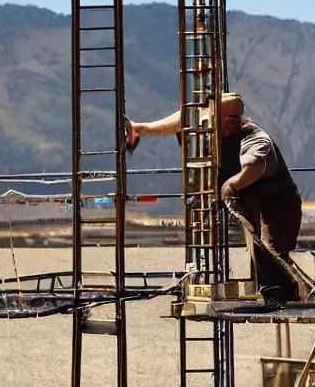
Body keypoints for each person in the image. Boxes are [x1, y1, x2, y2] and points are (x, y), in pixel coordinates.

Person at [125, 92, 302, 306]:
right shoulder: (209, 131)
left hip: (278, 203)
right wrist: (140, 129)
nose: (231, 123)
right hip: (249, 199)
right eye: (225, 118)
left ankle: (285, 294)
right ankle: (273, 291)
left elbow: (257, 166)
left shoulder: (253, 137)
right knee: (258, 249)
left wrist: (230, 186)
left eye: (234, 118)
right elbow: (183, 119)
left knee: (271, 251)